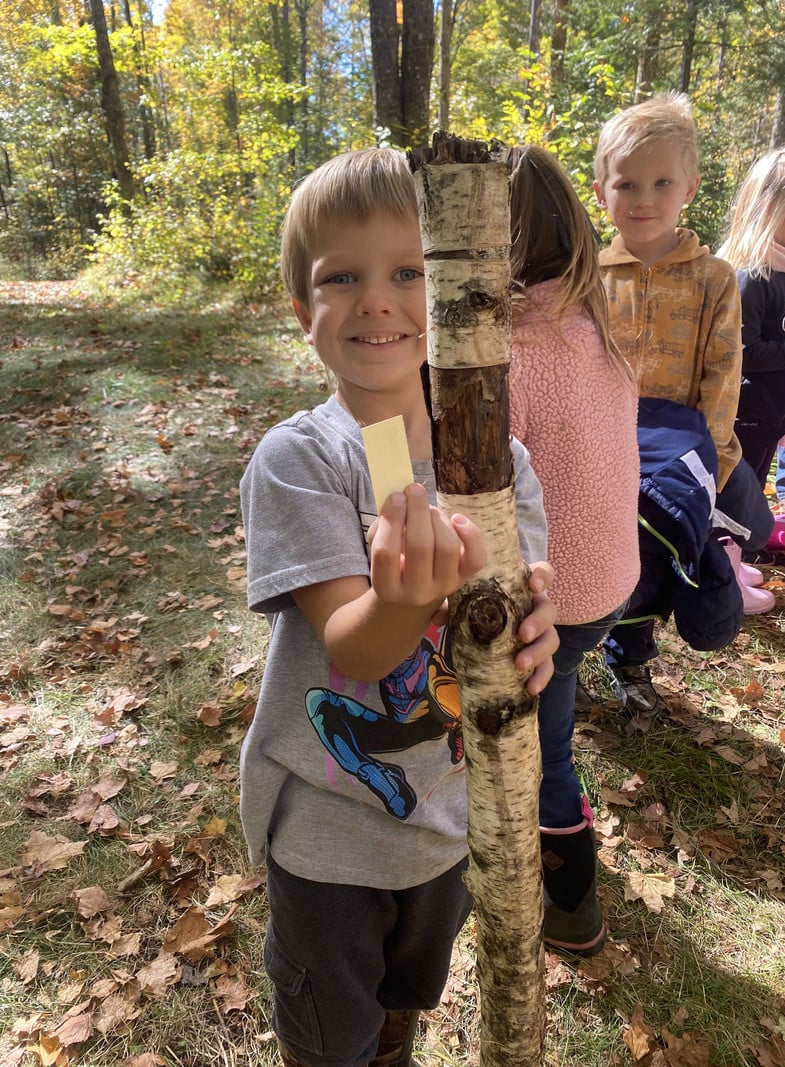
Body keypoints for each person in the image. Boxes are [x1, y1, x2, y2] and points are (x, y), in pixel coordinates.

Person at [238, 147, 559, 1067]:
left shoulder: (498, 465)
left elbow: (515, 607)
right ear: (302, 311)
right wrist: (400, 599)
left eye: (409, 272)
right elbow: (357, 647)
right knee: (329, 1033)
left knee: (403, 1004)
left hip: (452, 819)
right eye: (343, 277)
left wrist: (533, 637)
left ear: (456, 296)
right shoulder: (301, 460)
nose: (377, 301)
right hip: (331, 837)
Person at [506, 144, 640, 955]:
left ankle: (572, 907)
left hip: (557, 599)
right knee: (555, 714)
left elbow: (481, 490)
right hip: (612, 581)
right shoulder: (598, 329)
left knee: (547, 753)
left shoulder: (511, 354)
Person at [592, 91, 749, 715]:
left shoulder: (714, 278)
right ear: (601, 191)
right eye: (627, 184)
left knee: (652, 557)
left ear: (690, 188)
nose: (644, 198)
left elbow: (724, 373)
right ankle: (572, 644)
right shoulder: (589, 276)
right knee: (597, 549)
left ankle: (630, 658)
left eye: (662, 182)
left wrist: (712, 462)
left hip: (679, 457)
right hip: (601, 448)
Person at [716, 143, 785, 490]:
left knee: (753, 496)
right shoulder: (753, 278)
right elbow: (743, 352)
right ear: (770, 210)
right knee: (733, 497)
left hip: (773, 417)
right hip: (743, 420)